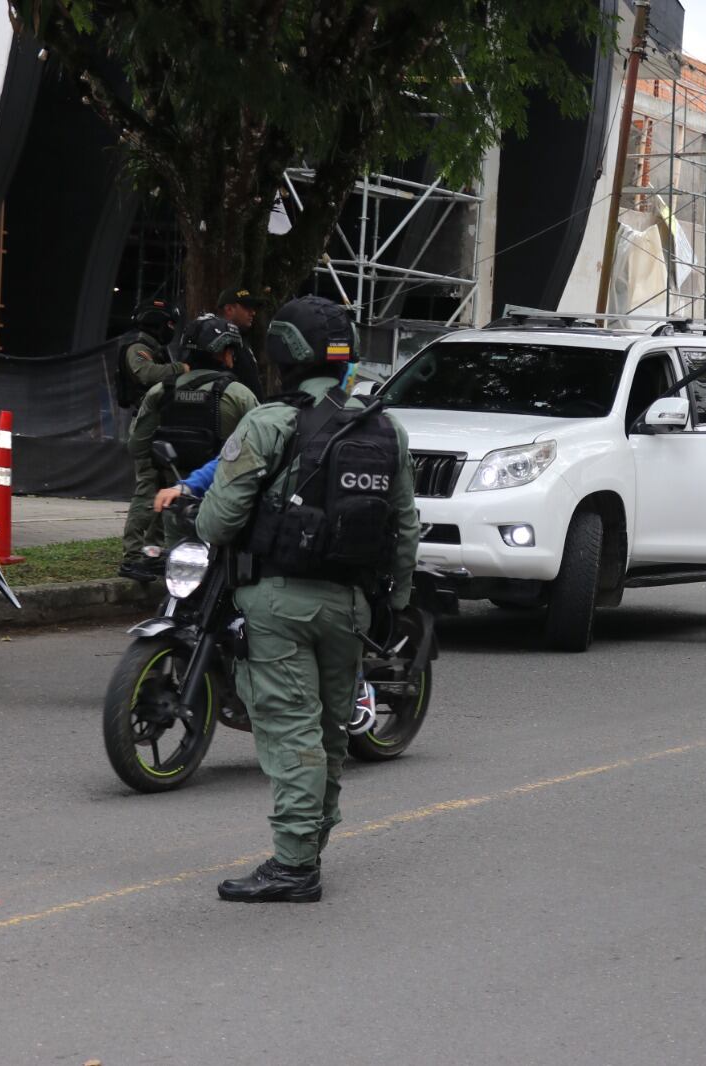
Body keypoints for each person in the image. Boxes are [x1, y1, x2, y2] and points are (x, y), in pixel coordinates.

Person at [197, 295, 420, 903]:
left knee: (291, 731)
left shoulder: (269, 422)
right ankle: (309, 843)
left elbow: (218, 522)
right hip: (351, 608)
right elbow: (405, 528)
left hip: (277, 604)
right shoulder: (383, 428)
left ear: (283, 353)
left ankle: (295, 867)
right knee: (327, 733)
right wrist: (396, 601)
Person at [127, 314, 258, 566]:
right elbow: (262, 447)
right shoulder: (240, 395)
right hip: (225, 507)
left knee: (179, 571)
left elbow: (137, 445)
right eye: (231, 350)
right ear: (222, 352)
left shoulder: (160, 391)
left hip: (176, 506)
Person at [117, 302, 187, 580]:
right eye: (168, 325)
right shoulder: (138, 349)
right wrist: (181, 368)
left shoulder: (158, 350)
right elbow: (146, 374)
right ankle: (132, 556)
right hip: (146, 428)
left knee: (163, 491)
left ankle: (151, 553)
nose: (171, 331)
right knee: (147, 490)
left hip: (160, 426)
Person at [218, 286, 268, 398]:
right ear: (229, 309)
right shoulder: (218, 342)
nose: (253, 313)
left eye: (253, 308)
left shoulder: (242, 339)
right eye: (247, 307)